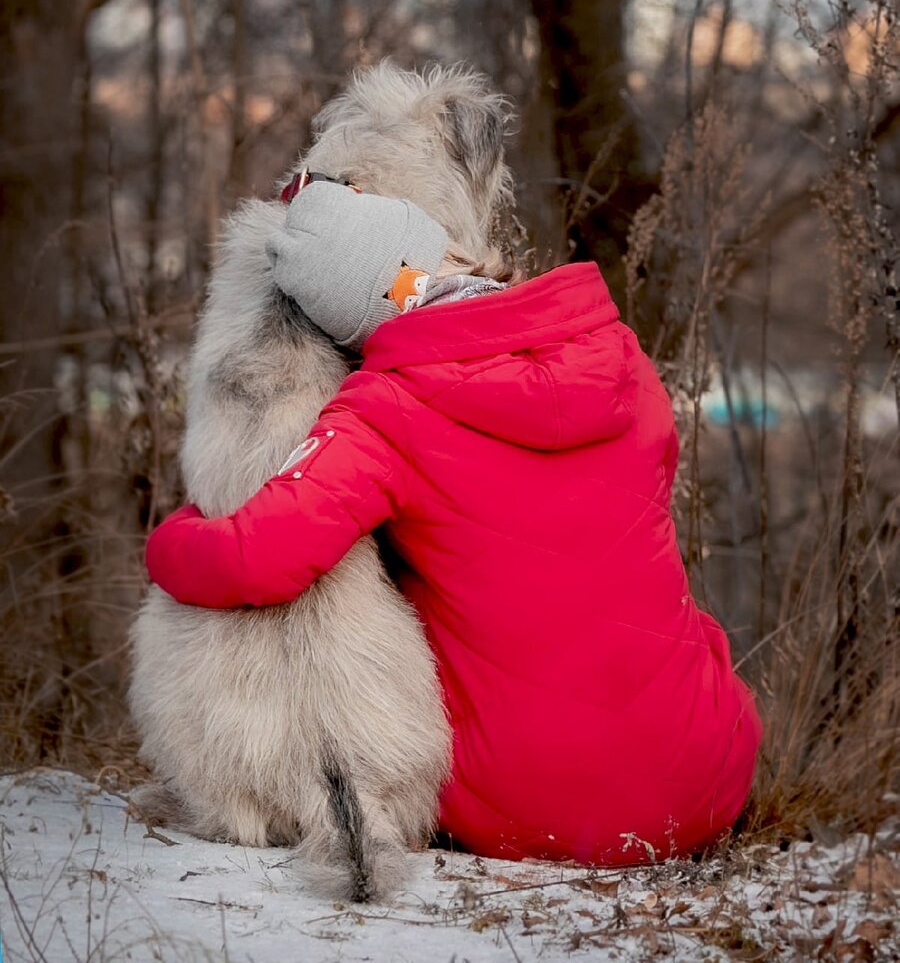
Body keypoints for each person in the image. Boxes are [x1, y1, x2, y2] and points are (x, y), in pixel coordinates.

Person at [146, 180, 762, 866]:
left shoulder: (385, 412)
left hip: (526, 813)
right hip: (708, 777)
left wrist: (174, 537)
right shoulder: (619, 357)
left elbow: (254, 559)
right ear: (444, 256)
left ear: (348, 327)